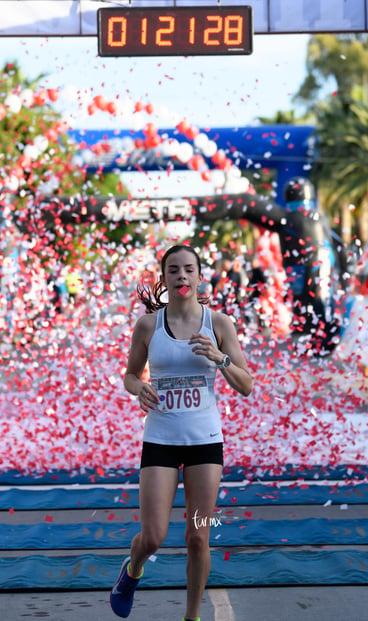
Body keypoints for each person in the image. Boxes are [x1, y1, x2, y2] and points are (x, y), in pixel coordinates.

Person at [110, 244, 252, 621]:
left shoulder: (219, 324)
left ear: (200, 276)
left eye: (189, 269)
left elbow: (246, 384)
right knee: (153, 536)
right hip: (160, 439)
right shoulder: (148, 325)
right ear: (165, 279)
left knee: (197, 534)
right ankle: (133, 570)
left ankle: (191, 617)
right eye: (174, 270)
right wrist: (139, 387)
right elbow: (128, 374)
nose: (182, 276)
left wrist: (219, 359)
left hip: (205, 442)